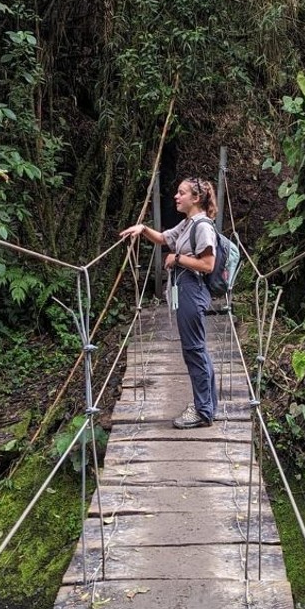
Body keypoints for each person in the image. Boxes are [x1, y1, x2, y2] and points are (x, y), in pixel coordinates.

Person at [120, 177, 219, 428]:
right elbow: (163, 238)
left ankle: (203, 411)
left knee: (194, 351)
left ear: (195, 199)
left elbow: (208, 265)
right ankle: (205, 405)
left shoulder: (202, 226)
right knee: (197, 350)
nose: (176, 196)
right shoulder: (187, 224)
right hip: (185, 289)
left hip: (192, 290)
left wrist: (177, 259)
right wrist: (142, 229)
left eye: (181, 193)